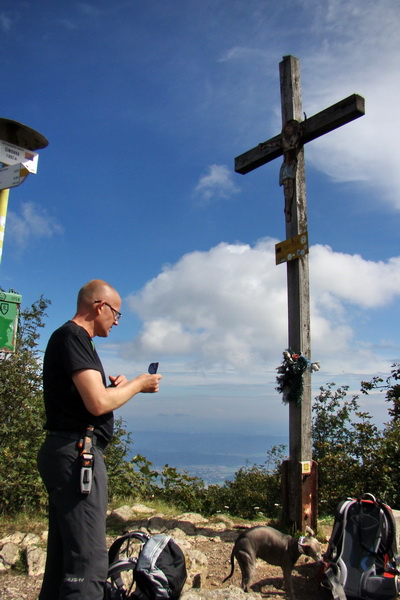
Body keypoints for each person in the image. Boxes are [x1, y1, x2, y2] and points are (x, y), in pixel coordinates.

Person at [37, 279, 162, 600]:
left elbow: (88, 399)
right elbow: (97, 404)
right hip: (77, 456)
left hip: (67, 452)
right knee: (88, 565)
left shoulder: (74, 340)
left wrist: (114, 388)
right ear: (99, 306)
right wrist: (137, 384)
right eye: (116, 314)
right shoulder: (74, 337)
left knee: (65, 558)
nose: (117, 321)